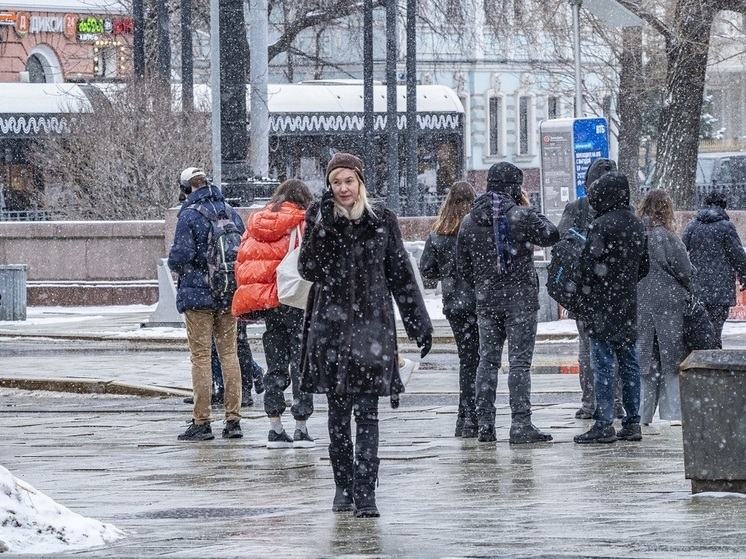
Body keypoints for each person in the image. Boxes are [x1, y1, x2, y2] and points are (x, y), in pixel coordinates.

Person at [298, 152, 432, 518]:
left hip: (373, 329)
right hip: (330, 330)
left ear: (360, 182)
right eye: (336, 183)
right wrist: (323, 225)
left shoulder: (382, 220)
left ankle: (366, 491)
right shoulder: (319, 219)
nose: (343, 189)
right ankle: (343, 487)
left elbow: (401, 275)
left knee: (368, 414)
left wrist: (419, 324)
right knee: (338, 416)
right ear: (328, 186)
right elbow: (308, 268)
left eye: (348, 181)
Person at [456, 162, 559, 444]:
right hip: (521, 302)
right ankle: (520, 424)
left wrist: (483, 281)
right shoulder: (521, 216)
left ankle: (485, 424)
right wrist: (529, 207)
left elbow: (462, 267)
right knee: (519, 365)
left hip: (486, 302)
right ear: (516, 188)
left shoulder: (469, 220)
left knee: (486, 362)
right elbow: (552, 234)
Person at [231, 179, 316, 449]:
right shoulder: (302, 221)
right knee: (301, 363)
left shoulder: (257, 223)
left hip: (269, 304)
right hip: (295, 298)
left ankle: (275, 427)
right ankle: (301, 427)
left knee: (275, 363)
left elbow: (244, 262)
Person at [168, 167, 245, 441]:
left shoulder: (189, 215)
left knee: (200, 357)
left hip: (198, 296)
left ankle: (202, 423)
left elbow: (180, 256)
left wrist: (177, 261)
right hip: (228, 293)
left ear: (187, 188)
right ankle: (233, 421)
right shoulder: (230, 211)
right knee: (229, 356)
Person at [573, 171, 649, 444]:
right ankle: (632, 422)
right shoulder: (637, 225)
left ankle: (603, 423)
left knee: (603, 365)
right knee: (629, 364)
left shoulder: (600, 225)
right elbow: (644, 267)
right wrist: (623, 280)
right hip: (626, 305)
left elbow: (586, 268)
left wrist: (593, 285)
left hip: (601, 307)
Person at [557, 158, 625, 421]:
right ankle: (615, 403)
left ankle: (591, 403)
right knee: (616, 348)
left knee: (589, 348)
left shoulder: (578, 208)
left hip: (586, 292)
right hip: (616, 292)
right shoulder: (623, 209)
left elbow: (561, 243)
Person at [420, 181, 479, 438]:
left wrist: (446, 273)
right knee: (482, 360)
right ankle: (478, 414)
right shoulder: (477, 228)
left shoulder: (438, 233)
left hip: (455, 304)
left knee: (467, 359)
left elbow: (426, 269)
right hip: (480, 302)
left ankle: (464, 417)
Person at [636, 190, 691, 425]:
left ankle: (641, 414)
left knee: (646, 362)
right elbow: (685, 271)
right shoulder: (668, 237)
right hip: (669, 304)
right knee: (671, 361)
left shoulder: (638, 235)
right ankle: (673, 416)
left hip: (642, 303)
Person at [682, 191, 746, 347]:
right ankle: (713, 356)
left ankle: (703, 356)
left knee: (700, 328)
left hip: (698, 288)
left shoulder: (693, 225)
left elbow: (681, 252)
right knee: (716, 328)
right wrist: (744, 275)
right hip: (721, 288)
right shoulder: (726, 227)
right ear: (723, 206)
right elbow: (737, 255)